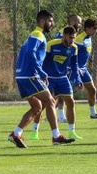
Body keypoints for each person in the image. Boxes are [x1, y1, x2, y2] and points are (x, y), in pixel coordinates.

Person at [7, 10, 76, 148]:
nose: (52, 24)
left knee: (37, 107)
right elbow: (31, 53)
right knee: (50, 100)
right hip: (30, 75)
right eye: (50, 21)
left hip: (22, 75)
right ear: (43, 21)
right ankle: (56, 137)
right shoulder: (38, 35)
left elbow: (28, 53)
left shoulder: (34, 35)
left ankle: (16, 133)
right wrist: (41, 72)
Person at [32, 26, 83, 140]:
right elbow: (41, 61)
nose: (72, 41)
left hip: (62, 78)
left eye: (74, 38)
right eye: (70, 38)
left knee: (70, 102)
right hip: (48, 78)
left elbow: (75, 65)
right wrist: (40, 75)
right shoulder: (51, 45)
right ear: (64, 35)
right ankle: (35, 130)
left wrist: (78, 78)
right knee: (44, 105)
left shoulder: (74, 48)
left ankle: (71, 132)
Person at [74, 19, 97, 119]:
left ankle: (93, 113)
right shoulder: (80, 39)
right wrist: (75, 69)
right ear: (87, 28)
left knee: (92, 90)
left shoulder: (89, 38)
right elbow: (72, 54)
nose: (96, 31)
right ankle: (52, 111)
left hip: (83, 69)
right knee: (63, 93)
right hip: (76, 69)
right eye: (94, 28)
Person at [53, 14, 82, 123]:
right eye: (79, 22)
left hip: (67, 66)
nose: (80, 24)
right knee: (59, 93)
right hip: (60, 67)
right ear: (73, 21)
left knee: (61, 93)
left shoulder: (72, 34)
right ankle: (59, 115)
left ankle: (57, 114)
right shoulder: (63, 33)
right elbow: (58, 49)